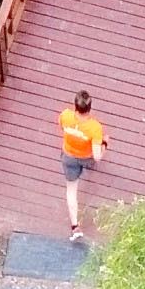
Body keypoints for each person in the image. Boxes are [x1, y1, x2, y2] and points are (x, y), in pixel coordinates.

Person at [58, 90, 109, 237]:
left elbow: (61, 127)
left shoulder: (65, 115)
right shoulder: (95, 127)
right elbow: (97, 156)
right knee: (93, 161)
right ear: (90, 108)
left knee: (71, 190)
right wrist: (105, 143)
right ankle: (88, 167)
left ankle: (75, 225)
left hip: (68, 156)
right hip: (87, 157)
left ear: (75, 106)